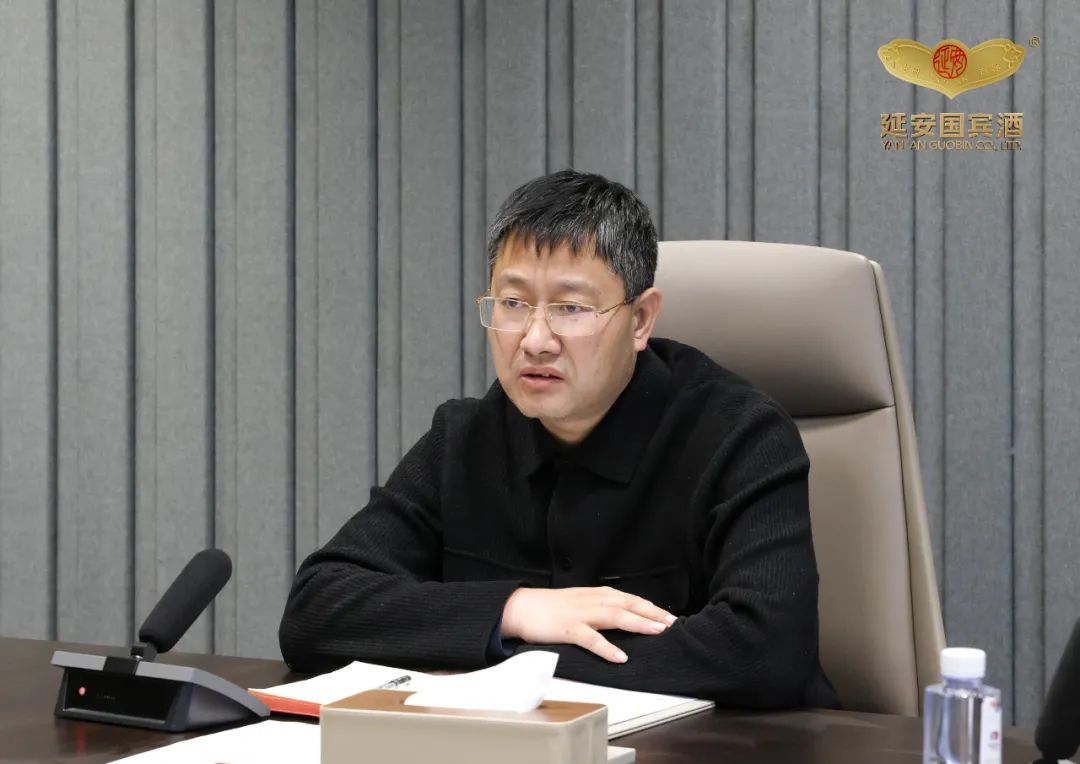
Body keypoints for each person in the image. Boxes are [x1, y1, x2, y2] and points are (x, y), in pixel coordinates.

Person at [279, 170, 839, 709]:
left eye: (571, 308)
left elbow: (766, 651)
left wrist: (506, 659)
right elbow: (315, 610)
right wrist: (515, 610)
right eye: (513, 304)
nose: (535, 340)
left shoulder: (739, 435)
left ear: (641, 320)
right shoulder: (465, 439)